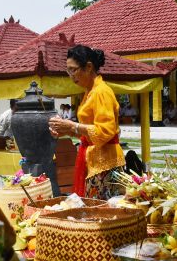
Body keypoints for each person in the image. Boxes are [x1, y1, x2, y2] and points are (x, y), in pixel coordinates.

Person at [48, 45, 125, 199]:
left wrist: (73, 126)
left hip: (105, 164)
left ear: (88, 67)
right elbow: (88, 134)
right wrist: (66, 130)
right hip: (93, 159)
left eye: (73, 69)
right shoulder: (89, 92)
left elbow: (105, 132)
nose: (71, 75)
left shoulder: (101, 92)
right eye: (68, 70)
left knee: (101, 213)